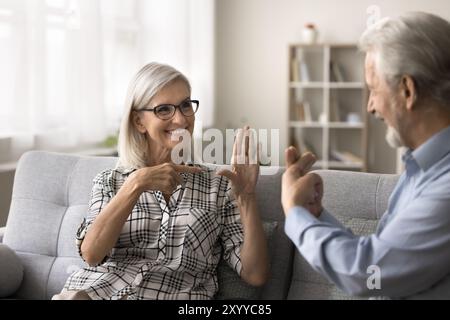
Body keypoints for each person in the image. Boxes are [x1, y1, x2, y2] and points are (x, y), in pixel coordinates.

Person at [53, 62, 269, 300]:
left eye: (186, 105)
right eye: (164, 109)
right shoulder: (110, 181)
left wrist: (247, 198)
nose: (180, 119)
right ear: (138, 122)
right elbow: (92, 255)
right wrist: (135, 185)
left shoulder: (218, 186)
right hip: (97, 292)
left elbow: (255, 274)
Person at [281, 11, 450, 299]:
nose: (370, 107)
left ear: (407, 90)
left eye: (373, 90)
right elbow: (381, 253)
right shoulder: (419, 168)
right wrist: (315, 214)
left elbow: (369, 272)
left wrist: (294, 212)